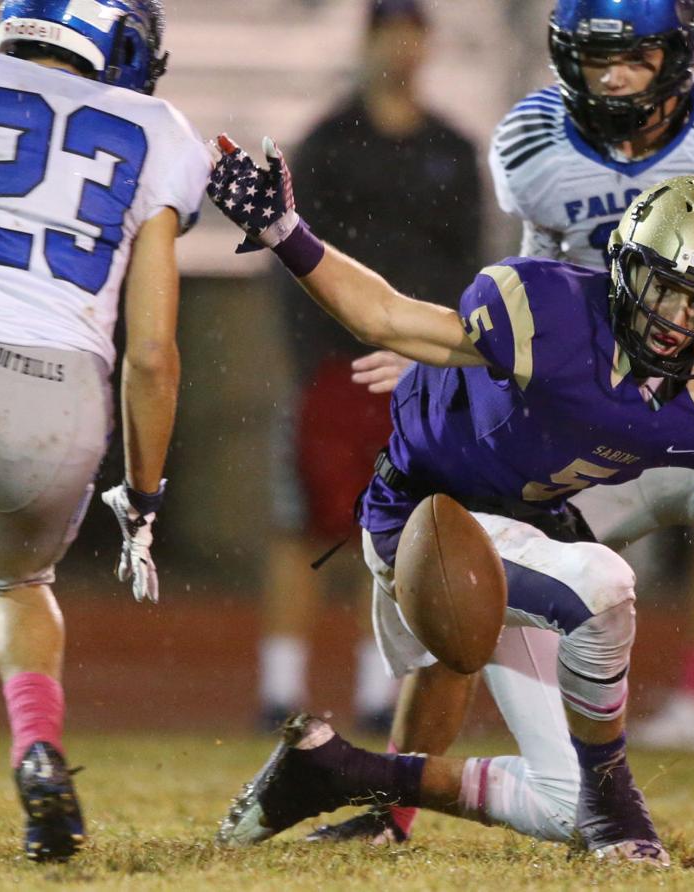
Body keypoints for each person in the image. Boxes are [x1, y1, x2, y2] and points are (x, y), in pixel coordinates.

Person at [205, 141, 694, 865]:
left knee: (559, 805)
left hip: (527, 526)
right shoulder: (546, 310)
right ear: (625, 265)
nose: (678, 321)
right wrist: (284, 230)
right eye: (668, 289)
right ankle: (620, 804)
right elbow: (385, 314)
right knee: (604, 586)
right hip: (425, 517)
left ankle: (331, 770)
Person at [337, 0, 694, 851]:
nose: (613, 77)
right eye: (595, 59)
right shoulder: (535, 144)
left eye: (632, 56)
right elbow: (532, 287)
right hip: (599, 414)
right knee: (468, 570)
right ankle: (394, 809)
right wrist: (450, 356)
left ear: (678, 54)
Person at [0, 0, 209, 862]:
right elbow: (154, 353)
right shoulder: (160, 129)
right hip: (69, 396)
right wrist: (147, 494)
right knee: (17, 582)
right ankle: (37, 748)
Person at [256, 0, 482, 732]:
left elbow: (468, 270)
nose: (403, 48)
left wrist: (452, 366)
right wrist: (312, 359)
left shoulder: (452, 146)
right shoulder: (328, 142)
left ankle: (381, 687)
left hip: (417, 373)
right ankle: (280, 688)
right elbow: (290, 256)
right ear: (369, 41)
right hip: (337, 365)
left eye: (413, 33)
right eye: (391, 32)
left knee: (398, 530)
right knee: (306, 526)